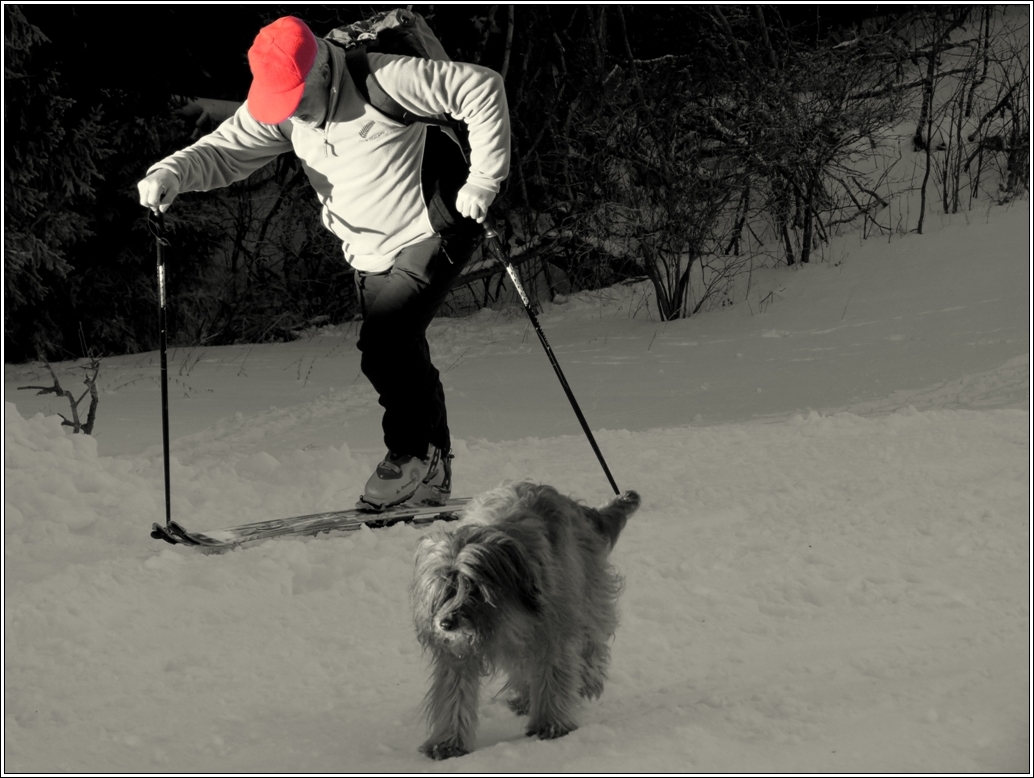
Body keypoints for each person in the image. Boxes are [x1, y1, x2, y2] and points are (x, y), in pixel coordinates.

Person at [138, 16, 510, 509]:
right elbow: (227, 150)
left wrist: (484, 179)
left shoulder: (382, 78)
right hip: (367, 248)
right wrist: (172, 172)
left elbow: (482, 87)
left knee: (386, 342)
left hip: (433, 226)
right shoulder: (286, 106)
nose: (290, 114)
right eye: (280, 105)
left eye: (294, 100)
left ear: (318, 72)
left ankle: (408, 456)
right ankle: (434, 468)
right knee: (402, 349)